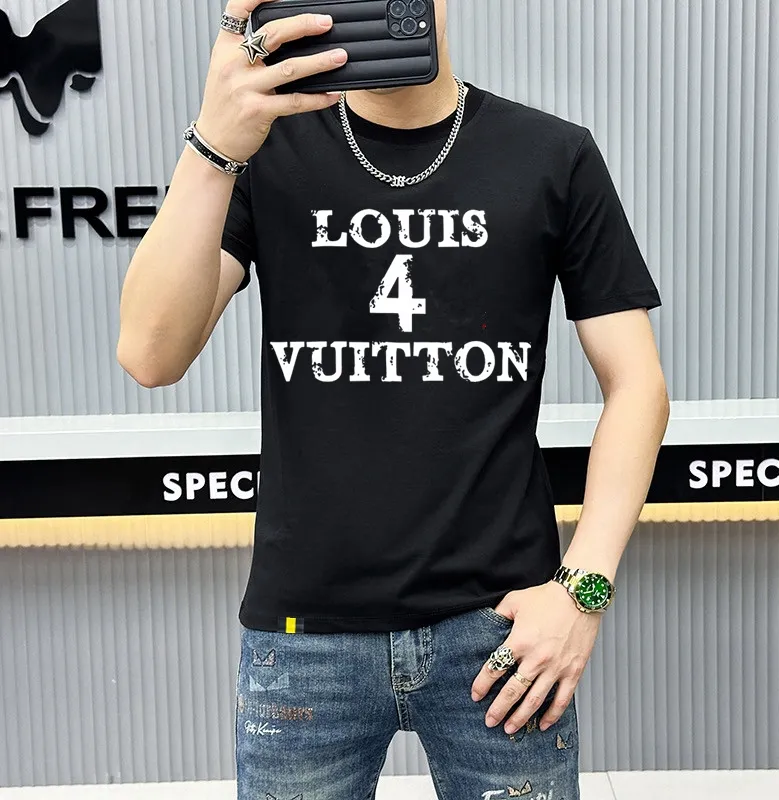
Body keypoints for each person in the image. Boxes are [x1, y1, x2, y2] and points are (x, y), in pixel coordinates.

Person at [117, 0, 669, 797]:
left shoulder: (551, 154)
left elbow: (638, 385)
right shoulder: (263, 150)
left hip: (500, 627)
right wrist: (213, 146)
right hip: (305, 636)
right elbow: (149, 354)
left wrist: (582, 592)